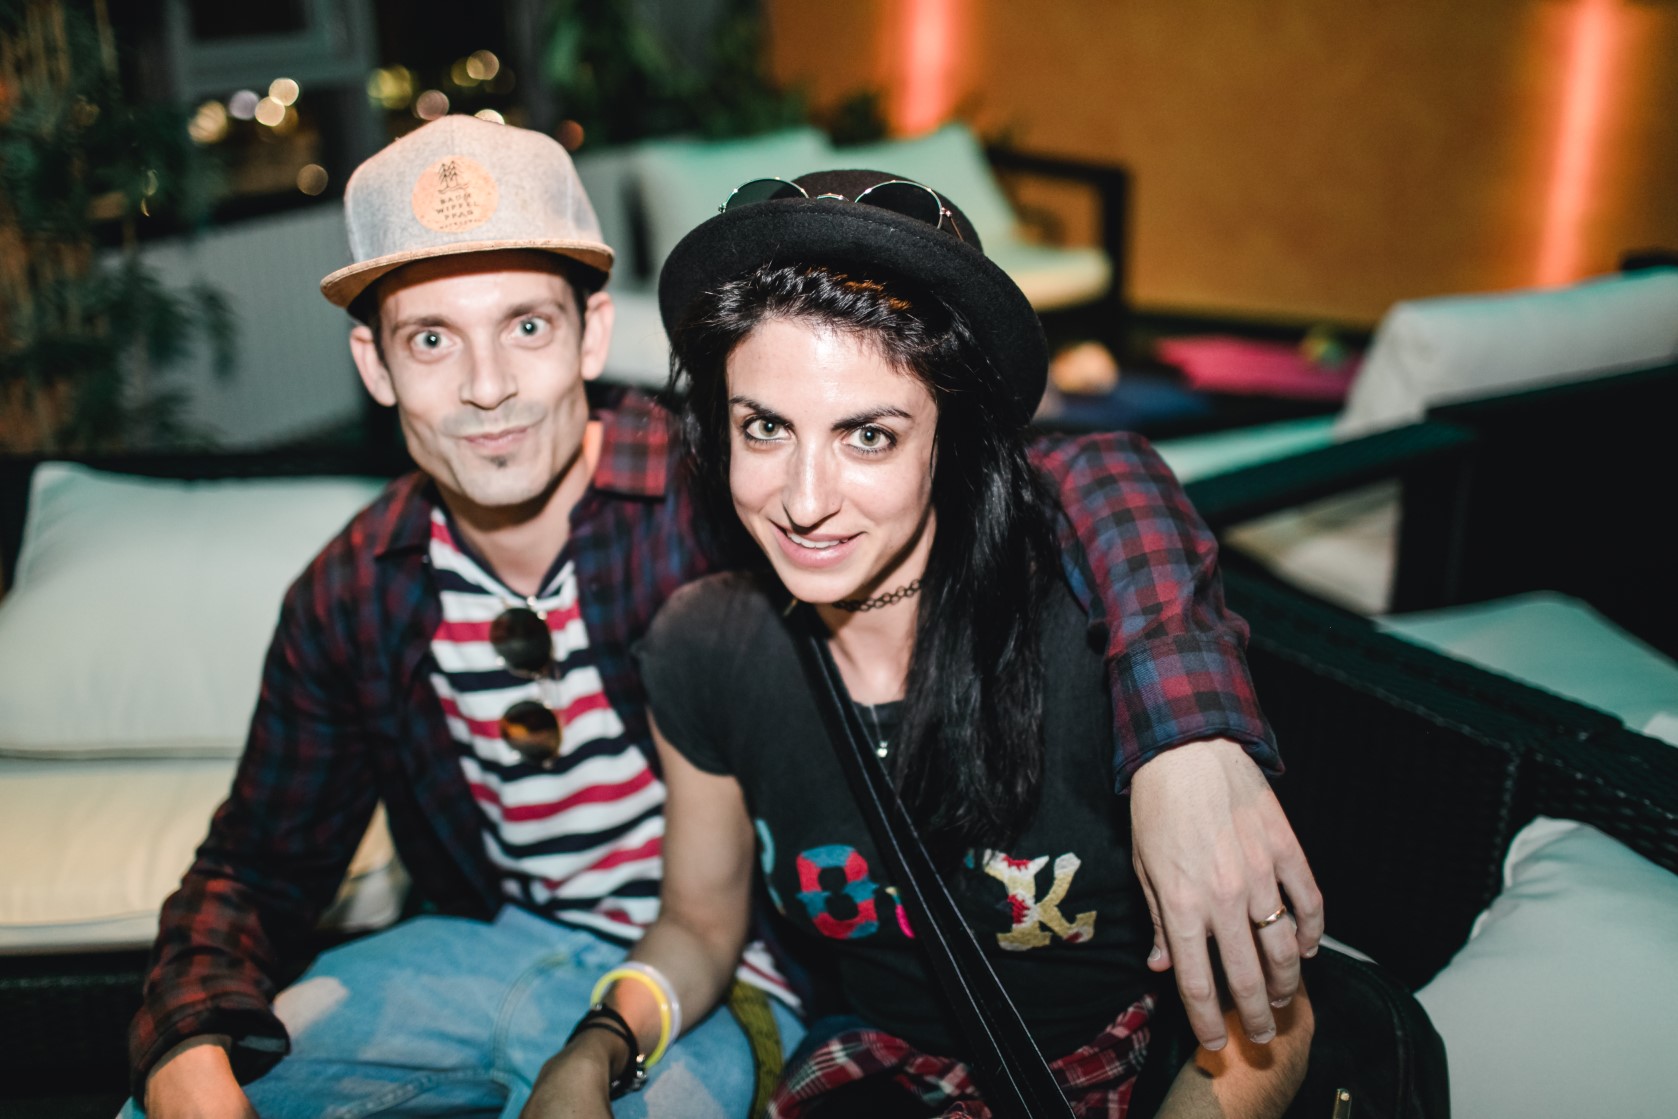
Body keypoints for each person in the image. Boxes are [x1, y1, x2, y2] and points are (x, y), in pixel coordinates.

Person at [128, 118, 1317, 1119]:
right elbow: (258, 860)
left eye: (526, 326)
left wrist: (1188, 732)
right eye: (431, 339)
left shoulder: (701, 494)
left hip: (744, 981)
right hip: (499, 944)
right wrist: (186, 1039)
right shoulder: (361, 589)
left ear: (593, 334)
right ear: (374, 364)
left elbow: (1076, 474)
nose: (486, 388)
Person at [524, 171, 1315, 1117]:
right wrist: (595, 1049)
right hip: (873, 1073)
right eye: (765, 427)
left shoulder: (1095, 631)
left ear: (951, 438)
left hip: (1113, 1074)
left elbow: (1271, 1024)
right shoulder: (706, 647)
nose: (804, 500)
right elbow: (698, 923)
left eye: (868, 435)